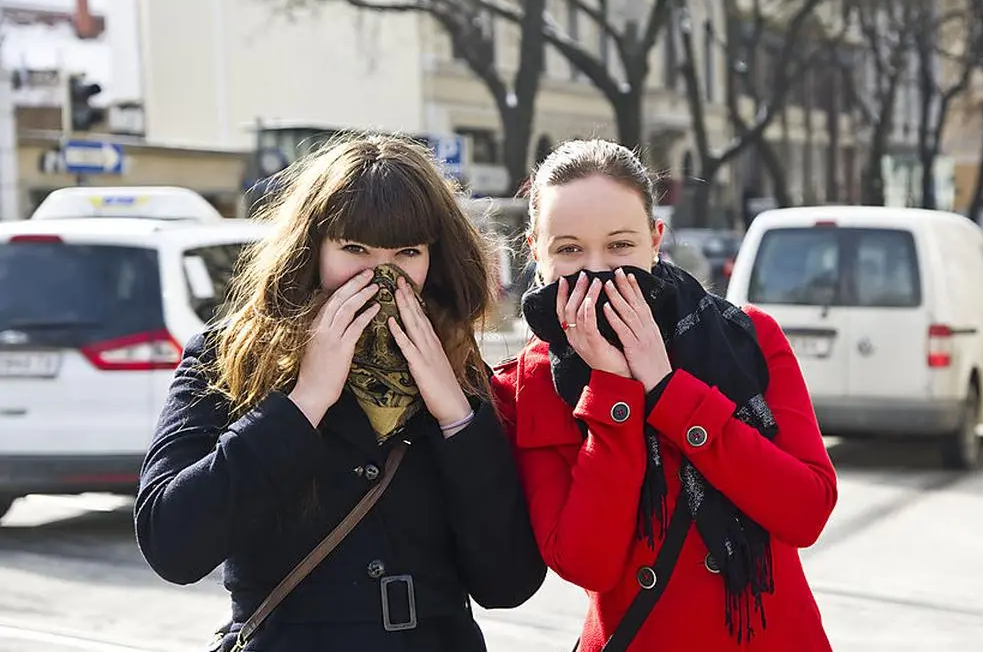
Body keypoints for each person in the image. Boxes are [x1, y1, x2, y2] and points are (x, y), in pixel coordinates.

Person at [135, 135, 546, 651]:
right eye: (354, 249)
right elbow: (171, 544)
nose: (380, 276)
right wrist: (304, 401)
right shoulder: (230, 357)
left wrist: (456, 418)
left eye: (407, 252)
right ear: (312, 251)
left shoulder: (459, 368)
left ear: (434, 260)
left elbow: (509, 583)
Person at [492, 139, 838, 651]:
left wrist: (668, 389)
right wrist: (613, 393)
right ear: (536, 252)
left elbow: (806, 510)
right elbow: (587, 562)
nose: (598, 270)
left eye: (620, 246)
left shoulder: (745, 338)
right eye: (569, 250)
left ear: (655, 241)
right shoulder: (531, 382)